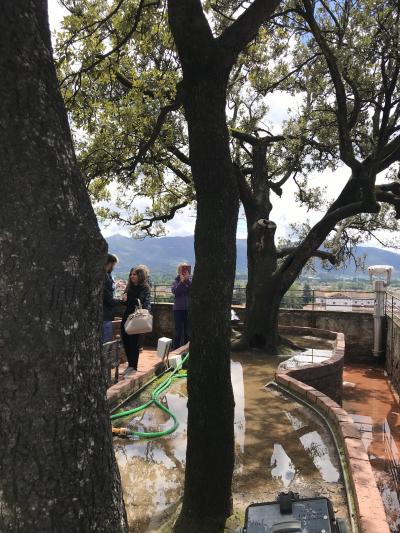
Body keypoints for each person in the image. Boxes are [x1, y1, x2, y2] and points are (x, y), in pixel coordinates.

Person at [120, 266, 151, 377]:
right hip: (127, 316)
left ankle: (133, 366)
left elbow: (140, 301)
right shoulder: (130, 286)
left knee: (134, 342)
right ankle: (130, 364)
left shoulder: (144, 287)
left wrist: (128, 299)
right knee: (126, 340)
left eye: (134, 274)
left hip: (137, 318)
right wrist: (124, 299)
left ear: (140, 275)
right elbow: (126, 303)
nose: (132, 276)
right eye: (131, 274)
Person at [171, 263, 192, 349]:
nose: (183, 272)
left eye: (186, 270)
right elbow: (175, 291)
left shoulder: (191, 281)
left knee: (188, 332)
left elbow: (194, 289)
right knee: (178, 331)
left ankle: (186, 350)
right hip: (178, 310)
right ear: (178, 272)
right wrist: (182, 282)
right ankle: (176, 350)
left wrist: (187, 280)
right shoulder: (175, 281)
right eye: (182, 270)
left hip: (188, 309)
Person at [103, 253, 122, 343]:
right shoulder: (105, 277)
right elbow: (109, 299)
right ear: (110, 263)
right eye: (114, 265)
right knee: (106, 341)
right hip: (106, 314)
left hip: (106, 314)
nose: (114, 267)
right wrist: (121, 301)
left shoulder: (107, 275)